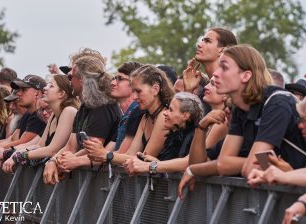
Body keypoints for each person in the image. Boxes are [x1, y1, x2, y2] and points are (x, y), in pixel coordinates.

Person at [210, 44, 305, 177]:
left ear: (246, 76)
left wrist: (255, 164)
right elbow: (223, 165)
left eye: (224, 67)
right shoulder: (240, 107)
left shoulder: (276, 103)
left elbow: (249, 169)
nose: (215, 73)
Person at [43, 48, 121, 184]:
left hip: (101, 184)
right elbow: (71, 145)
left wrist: (67, 160)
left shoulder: (103, 106)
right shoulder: (85, 106)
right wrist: (53, 161)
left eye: (70, 77)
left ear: (82, 79)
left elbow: (92, 151)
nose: (68, 81)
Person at [84, 64, 174, 167]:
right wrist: (102, 153)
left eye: (139, 91)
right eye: (133, 91)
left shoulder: (164, 116)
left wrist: (106, 154)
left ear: (155, 89)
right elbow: (131, 154)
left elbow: (145, 157)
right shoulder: (146, 117)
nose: (135, 97)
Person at [1, 74, 80, 172]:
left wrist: (19, 156)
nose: (45, 88)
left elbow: (52, 150)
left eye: (51, 86)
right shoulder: (54, 115)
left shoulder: (69, 111)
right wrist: (14, 153)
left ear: (61, 94)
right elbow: (40, 145)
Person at [123, 92, 204, 175]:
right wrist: (155, 161)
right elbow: (170, 168)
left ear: (185, 116)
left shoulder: (194, 137)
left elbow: (190, 164)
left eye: (171, 110)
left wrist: (149, 166)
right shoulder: (171, 136)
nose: (165, 113)